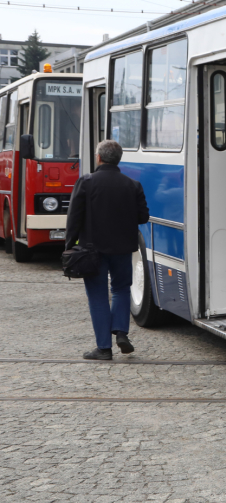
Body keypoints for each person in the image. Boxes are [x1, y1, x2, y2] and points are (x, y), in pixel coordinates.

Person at [65, 140, 150, 360]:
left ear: (99, 158)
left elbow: (74, 218)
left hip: (92, 251)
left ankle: (104, 348)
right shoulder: (133, 185)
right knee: (121, 290)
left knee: (98, 296)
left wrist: (69, 246)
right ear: (118, 159)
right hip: (123, 249)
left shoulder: (86, 182)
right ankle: (121, 332)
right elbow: (143, 217)